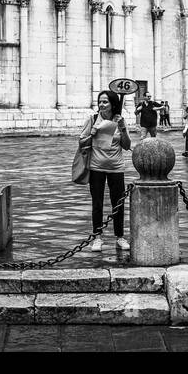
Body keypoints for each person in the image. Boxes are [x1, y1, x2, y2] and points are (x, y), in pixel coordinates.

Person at [77, 90, 132, 253]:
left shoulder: (119, 119)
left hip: (116, 167)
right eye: (100, 102)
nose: (101, 105)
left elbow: (127, 145)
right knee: (97, 204)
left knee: (119, 203)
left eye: (105, 102)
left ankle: (120, 237)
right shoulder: (92, 119)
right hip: (96, 167)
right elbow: (81, 142)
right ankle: (97, 237)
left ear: (113, 104)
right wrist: (93, 133)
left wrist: (122, 128)